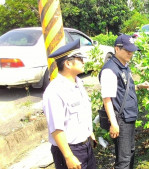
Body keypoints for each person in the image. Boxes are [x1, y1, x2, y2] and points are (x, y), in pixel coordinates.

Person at [43, 39, 97, 169]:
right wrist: (68, 156)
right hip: (70, 150)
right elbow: (56, 128)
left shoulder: (78, 83)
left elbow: (81, 113)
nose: (84, 62)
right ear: (68, 63)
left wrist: (89, 132)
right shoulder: (55, 91)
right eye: (80, 59)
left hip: (85, 146)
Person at [99, 34, 149, 169]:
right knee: (123, 159)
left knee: (130, 152)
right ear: (117, 49)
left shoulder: (124, 66)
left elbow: (122, 89)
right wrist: (114, 124)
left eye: (132, 50)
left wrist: (139, 86)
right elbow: (107, 99)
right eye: (127, 50)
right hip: (121, 119)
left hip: (129, 116)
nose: (130, 53)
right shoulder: (110, 70)